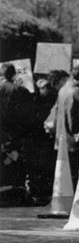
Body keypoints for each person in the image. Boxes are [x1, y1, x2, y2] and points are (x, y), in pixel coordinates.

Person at [0, 63, 34, 204]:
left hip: (2, 136)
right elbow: (28, 116)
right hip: (16, 136)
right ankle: (15, 195)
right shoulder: (21, 91)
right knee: (16, 165)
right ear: (14, 75)